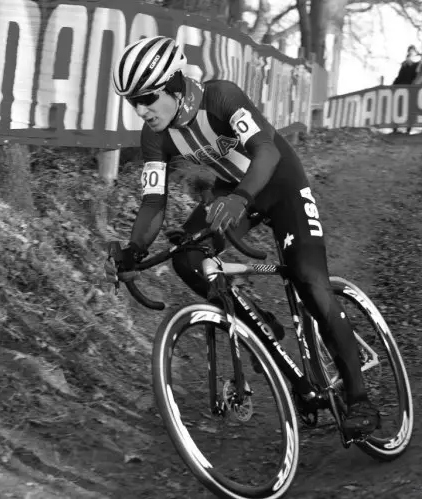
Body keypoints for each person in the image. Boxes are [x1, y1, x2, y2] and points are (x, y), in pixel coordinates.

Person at [104, 36, 380, 435]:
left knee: (308, 278)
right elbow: (152, 204)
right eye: (134, 102)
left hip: (279, 184)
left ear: (176, 85)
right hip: (235, 193)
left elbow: (266, 151)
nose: (142, 110)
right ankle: (259, 327)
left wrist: (240, 198)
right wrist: (133, 250)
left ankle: (360, 400)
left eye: (148, 97)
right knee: (188, 256)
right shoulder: (155, 137)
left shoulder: (221, 98)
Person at [391, 45, 421, 134]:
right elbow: (399, 77)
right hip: (400, 89)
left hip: (410, 89)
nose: (410, 53)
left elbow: (416, 77)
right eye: (409, 51)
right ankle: (395, 129)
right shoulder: (404, 64)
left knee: (410, 110)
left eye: (412, 51)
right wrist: (393, 85)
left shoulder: (417, 65)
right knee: (398, 109)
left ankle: (408, 130)